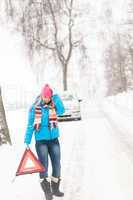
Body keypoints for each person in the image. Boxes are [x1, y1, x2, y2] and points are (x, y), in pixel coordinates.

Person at [24, 84, 65, 200]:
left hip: (54, 140)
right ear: (41, 95)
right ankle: (47, 192)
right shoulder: (35, 108)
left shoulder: (54, 105)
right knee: (44, 167)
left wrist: (55, 97)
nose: (46, 99)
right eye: (45, 96)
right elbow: (30, 125)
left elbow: (62, 110)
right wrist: (27, 140)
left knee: (57, 165)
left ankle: (55, 189)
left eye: (48, 97)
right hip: (41, 141)